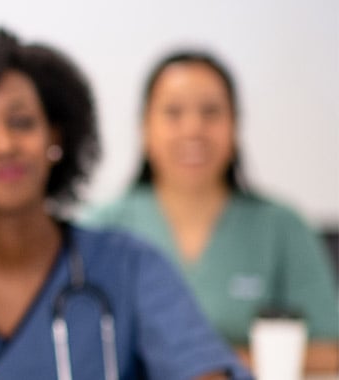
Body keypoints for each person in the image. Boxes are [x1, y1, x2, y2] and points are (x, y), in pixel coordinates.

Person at [0, 29, 249, 379]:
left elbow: (205, 371)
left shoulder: (131, 267)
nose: (4, 146)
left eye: (21, 122)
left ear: (56, 136)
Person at [84, 50, 339, 374]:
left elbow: (332, 349)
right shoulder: (101, 230)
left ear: (235, 126)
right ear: (145, 128)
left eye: (211, 112)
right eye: (173, 113)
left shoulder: (282, 227)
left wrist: (216, 364)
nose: (193, 128)